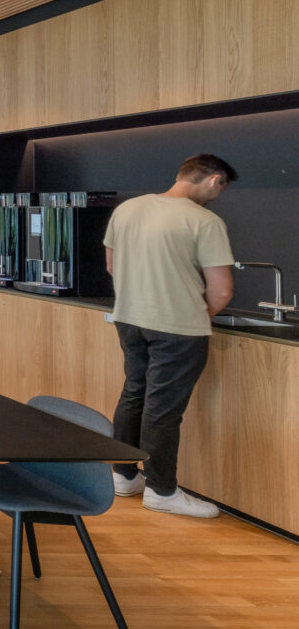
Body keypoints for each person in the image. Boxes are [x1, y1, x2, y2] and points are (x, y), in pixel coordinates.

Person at [104, 154, 237, 518]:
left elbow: (112, 266)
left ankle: (124, 475)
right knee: (162, 411)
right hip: (178, 329)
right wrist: (194, 314)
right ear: (214, 180)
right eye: (221, 189)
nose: (218, 196)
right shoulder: (205, 221)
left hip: (129, 320)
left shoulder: (128, 210)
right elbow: (222, 291)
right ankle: (162, 491)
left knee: (134, 395)